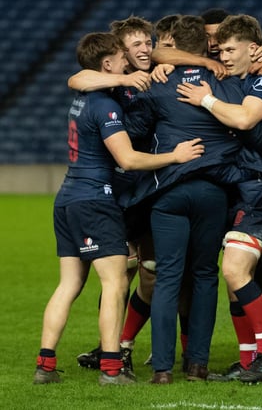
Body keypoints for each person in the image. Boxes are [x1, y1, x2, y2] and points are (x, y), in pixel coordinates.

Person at [33, 32, 204, 386]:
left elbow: (80, 78)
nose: (128, 60)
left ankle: (45, 365)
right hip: (95, 199)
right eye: (120, 56)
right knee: (114, 283)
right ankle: (112, 367)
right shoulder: (105, 105)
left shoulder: (83, 98)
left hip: (66, 198)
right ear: (107, 63)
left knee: (68, 285)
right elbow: (126, 158)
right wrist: (175, 156)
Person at [174, 13, 262, 384]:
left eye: (229, 49)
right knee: (237, 276)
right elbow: (163, 53)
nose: (222, 56)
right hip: (241, 190)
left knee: (235, 270)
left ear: (252, 48)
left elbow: (244, 121)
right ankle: (250, 357)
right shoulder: (235, 80)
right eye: (219, 49)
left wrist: (205, 99)